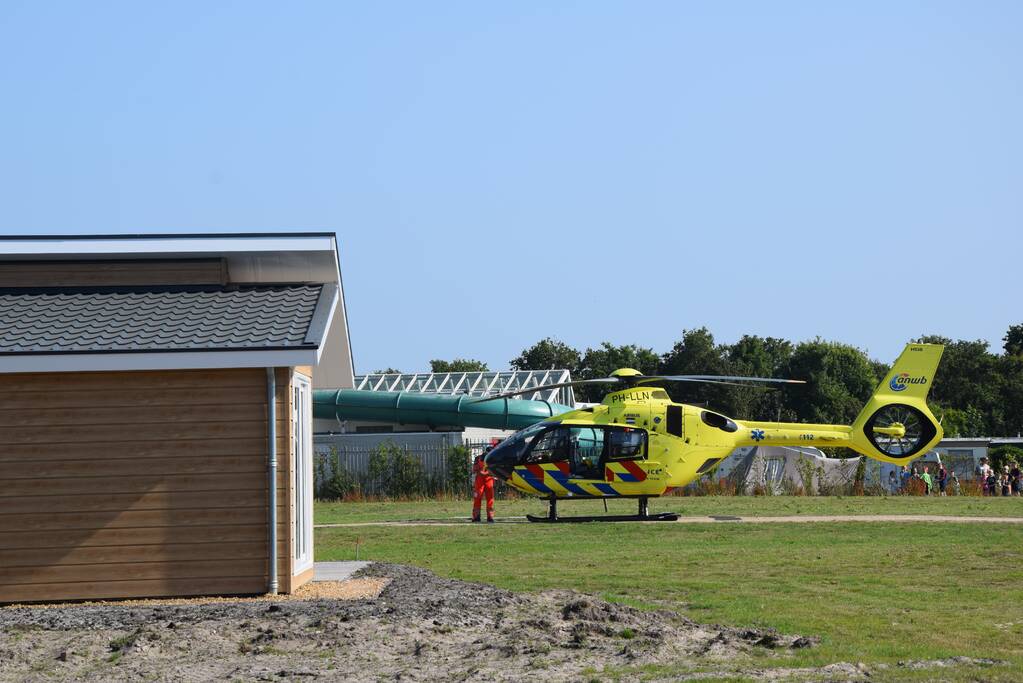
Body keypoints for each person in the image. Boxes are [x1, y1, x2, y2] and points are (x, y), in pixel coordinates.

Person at [472, 450, 496, 523]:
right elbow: (474, 469)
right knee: (478, 497)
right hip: (480, 480)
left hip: (489, 479)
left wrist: (486, 473)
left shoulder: (493, 458)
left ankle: (490, 516)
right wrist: (480, 471)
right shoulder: (477, 458)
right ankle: (476, 516)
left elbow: (495, 470)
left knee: (490, 498)